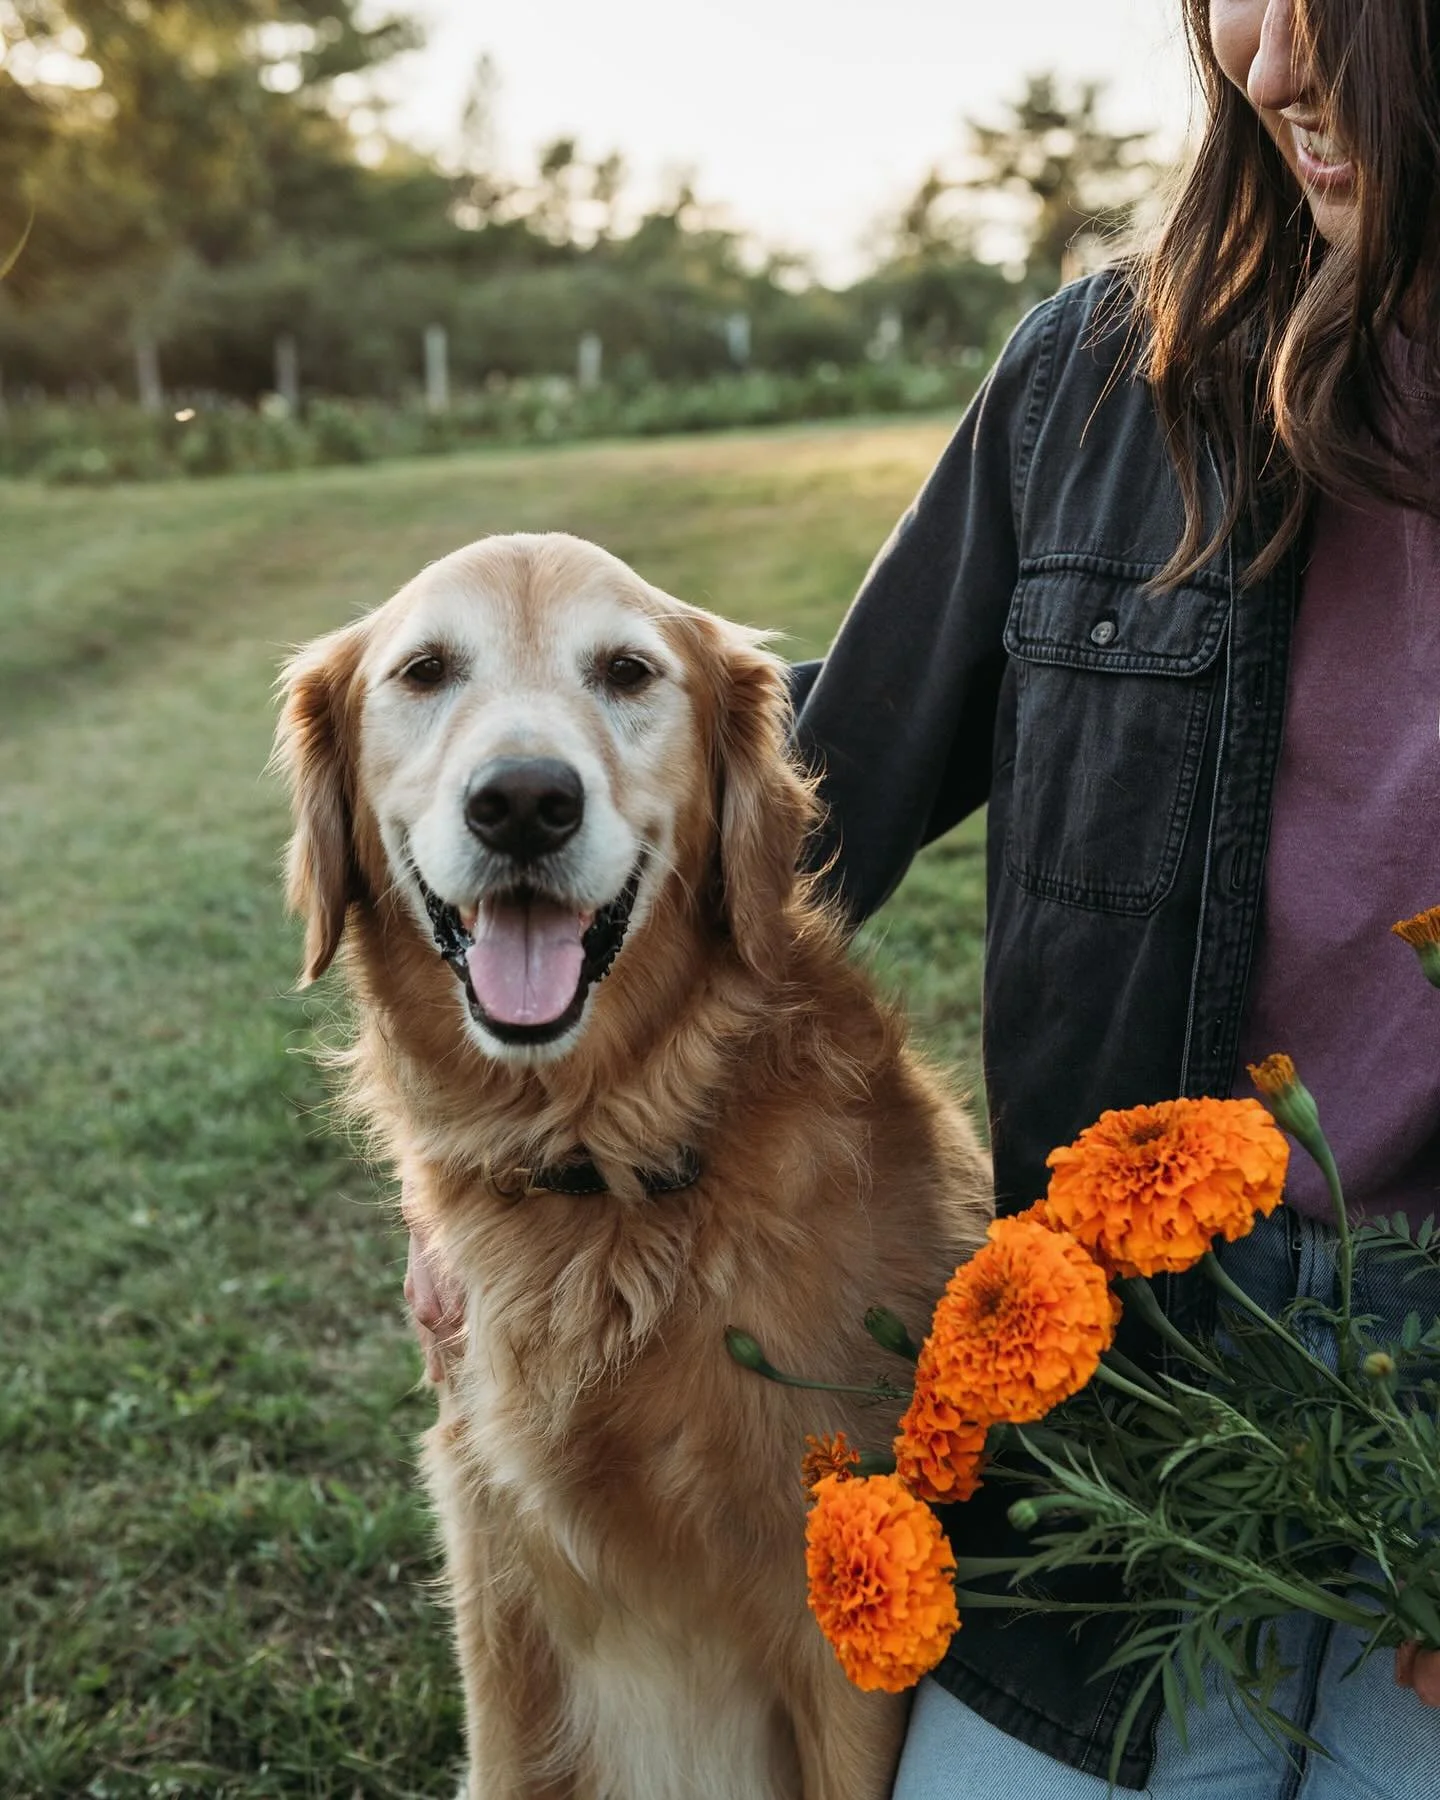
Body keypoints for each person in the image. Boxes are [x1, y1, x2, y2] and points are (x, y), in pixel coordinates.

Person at [405, 1, 1440, 1791]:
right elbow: (802, 804)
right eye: (1237, 1)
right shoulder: (1096, 390)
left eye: (1343, 3)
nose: (1274, 67)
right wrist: (513, 1158)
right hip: (1130, 1367)